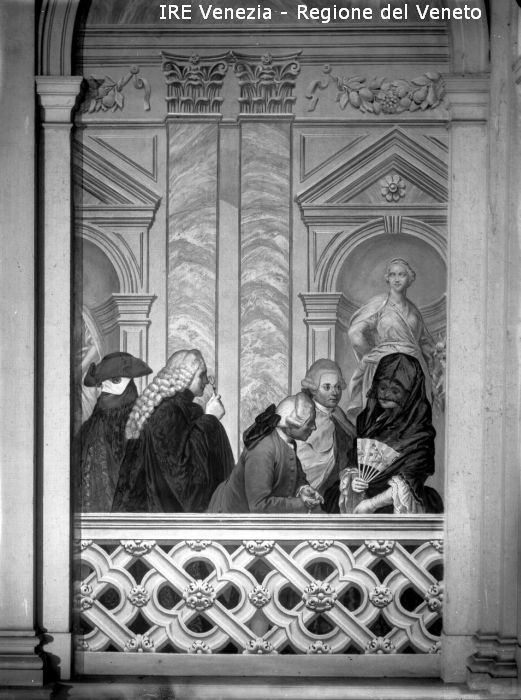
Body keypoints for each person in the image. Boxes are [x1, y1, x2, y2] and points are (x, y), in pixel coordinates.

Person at [112, 349, 235, 513]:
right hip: (160, 516)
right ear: (186, 378)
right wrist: (210, 419)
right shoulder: (167, 412)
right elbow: (182, 480)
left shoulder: (180, 408)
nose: (206, 381)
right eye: (202, 375)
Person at [339, 352, 443, 514]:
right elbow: (354, 459)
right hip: (362, 502)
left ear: (410, 394)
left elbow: (410, 481)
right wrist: (355, 478)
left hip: (399, 506)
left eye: (395, 391)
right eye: (382, 388)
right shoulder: (367, 421)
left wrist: (371, 504)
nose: (386, 395)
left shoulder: (419, 433)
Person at [346, 258, 434, 418]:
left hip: (414, 366)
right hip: (385, 364)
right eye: (393, 274)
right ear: (387, 278)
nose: (396, 279)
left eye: (401, 274)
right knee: (383, 414)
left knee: (411, 417)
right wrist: (372, 353)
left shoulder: (414, 311)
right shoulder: (379, 304)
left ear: (410, 279)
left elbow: (425, 342)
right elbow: (355, 332)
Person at [208, 392, 323, 514]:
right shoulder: (262, 450)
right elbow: (259, 505)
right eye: (309, 423)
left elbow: (294, 474)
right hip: (231, 516)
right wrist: (301, 504)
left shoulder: (287, 442)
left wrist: (303, 489)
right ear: (290, 425)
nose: (314, 427)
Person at [76, 351, 153, 511]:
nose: (106, 389)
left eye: (115, 380)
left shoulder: (142, 424)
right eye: (101, 384)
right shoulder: (90, 426)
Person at [297, 359, 355, 513]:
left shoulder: (337, 412)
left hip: (336, 488)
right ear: (313, 389)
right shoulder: (305, 414)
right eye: (327, 387)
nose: (334, 392)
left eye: (337, 387)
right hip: (312, 490)